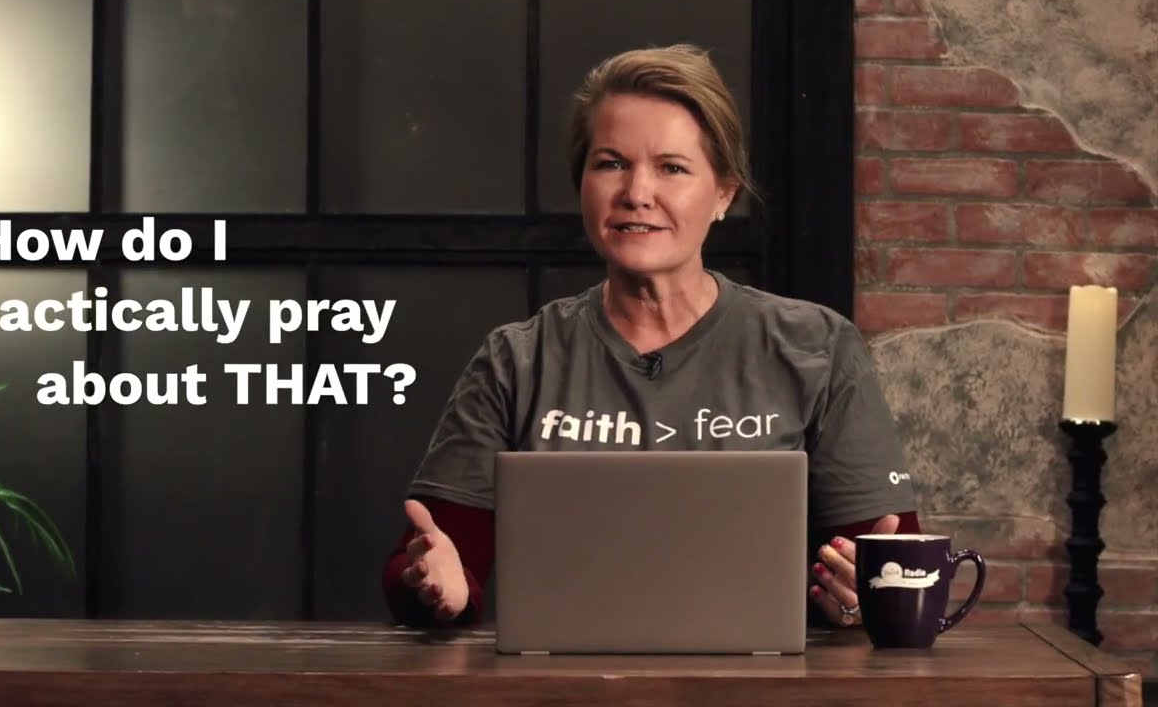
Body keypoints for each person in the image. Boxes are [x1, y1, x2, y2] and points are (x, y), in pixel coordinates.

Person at [381, 43, 920, 631]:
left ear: (724, 194)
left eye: (672, 167)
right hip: (559, 686)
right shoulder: (516, 359)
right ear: (582, 183)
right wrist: (434, 587)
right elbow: (429, 560)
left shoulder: (817, 347)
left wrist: (863, 593)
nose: (637, 193)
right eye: (610, 163)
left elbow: (887, 564)